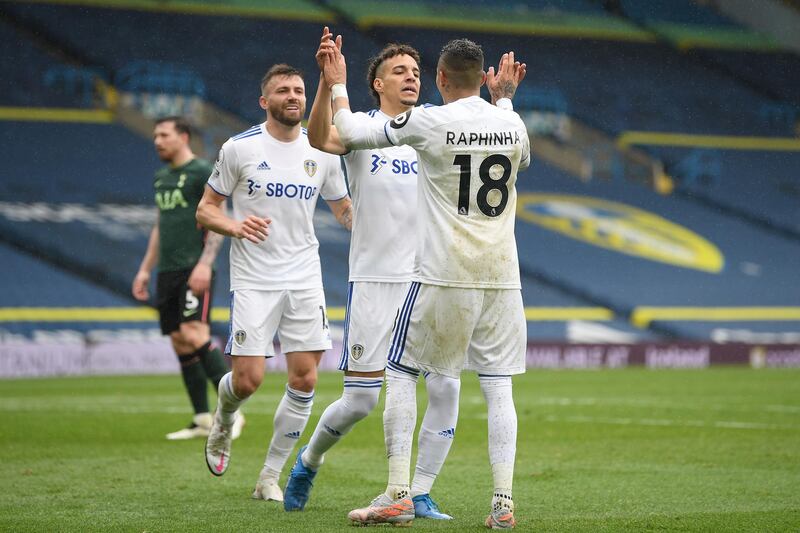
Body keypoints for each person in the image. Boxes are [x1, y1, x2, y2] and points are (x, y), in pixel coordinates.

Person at [322, 37, 529, 529]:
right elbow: (516, 160)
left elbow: (348, 129)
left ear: (439, 79)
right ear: (484, 78)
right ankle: (502, 504)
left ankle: (398, 492)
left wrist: (337, 84)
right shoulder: (512, 122)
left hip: (442, 272)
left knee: (401, 371)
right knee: (498, 388)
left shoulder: (431, 121)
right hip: (503, 279)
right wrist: (503, 99)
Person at [281, 29, 458, 522]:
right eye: (400, 71)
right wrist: (326, 81)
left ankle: (418, 491)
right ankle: (308, 460)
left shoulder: (431, 129)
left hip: (429, 279)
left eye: (417, 72)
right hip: (377, 280)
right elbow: (319, 138)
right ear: (377, 83)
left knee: (444, 387)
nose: (411, 78)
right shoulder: (360, 128)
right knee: (360, 400)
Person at [196, 64, 352, 503]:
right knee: (247, 381)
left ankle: (269, 477)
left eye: (300, 90)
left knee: (305, 379)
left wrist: (371, 226)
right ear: (264, 101)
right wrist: (234, 226)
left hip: (304, 276)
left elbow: (342, 209)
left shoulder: (321, 149)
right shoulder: (238, 149)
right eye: (283, 90)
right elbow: (206, 209)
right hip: (254, 279)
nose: (293, 96)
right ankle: (224, 419)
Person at [132, 116, 243, 441]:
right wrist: (144, 269)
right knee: (180, 341)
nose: (157, 141)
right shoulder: (162, 177)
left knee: (195, 334)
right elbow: (160, 225)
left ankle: (233, 412)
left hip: (193, 268)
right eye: (155, 135)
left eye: (164, 135)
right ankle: (201, 419)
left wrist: (205, 264)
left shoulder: (200, 173)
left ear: (183, 137)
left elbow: (218, 218)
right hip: (167, 270)